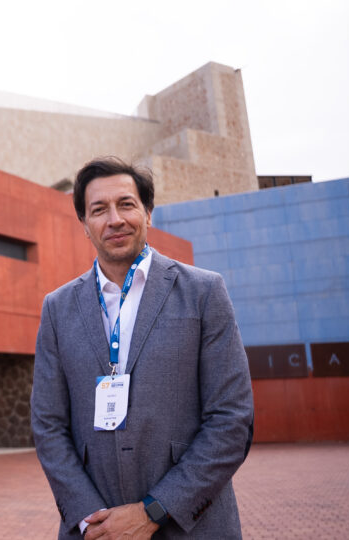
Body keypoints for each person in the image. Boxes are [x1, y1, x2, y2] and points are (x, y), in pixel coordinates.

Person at [30, 158, 253, 539]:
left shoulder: (204, 292)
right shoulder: (57, 307)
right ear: (84, 225)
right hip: (96, 532)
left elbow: (231, 419)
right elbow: (48, 425)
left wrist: (153, 511)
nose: (114, 219)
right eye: (98, 209)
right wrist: (90, 516)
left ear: (148, 212)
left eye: (127, 204)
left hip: (191, 526)